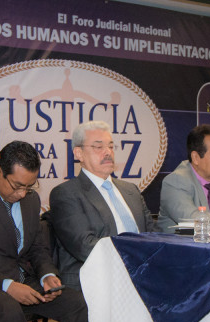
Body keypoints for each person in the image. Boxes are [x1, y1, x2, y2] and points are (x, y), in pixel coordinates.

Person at [0, 141, 89, 322]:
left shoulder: (31, 200)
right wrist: (7, 285)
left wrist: (46, 275)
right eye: (17, 186)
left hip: (25, 282)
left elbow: (38, 248)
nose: (22, 194)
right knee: (9, 312)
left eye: (29, 186)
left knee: (78, 304)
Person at [46, 121, 158, 290]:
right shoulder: (66, 194)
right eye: (98, 147)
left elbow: (153, 233)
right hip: (97, 278)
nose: (108, 152)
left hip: (142, 274)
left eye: (111, 147)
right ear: (79, 153)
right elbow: (85, 246)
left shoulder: (131, 190)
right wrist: (135, 257)